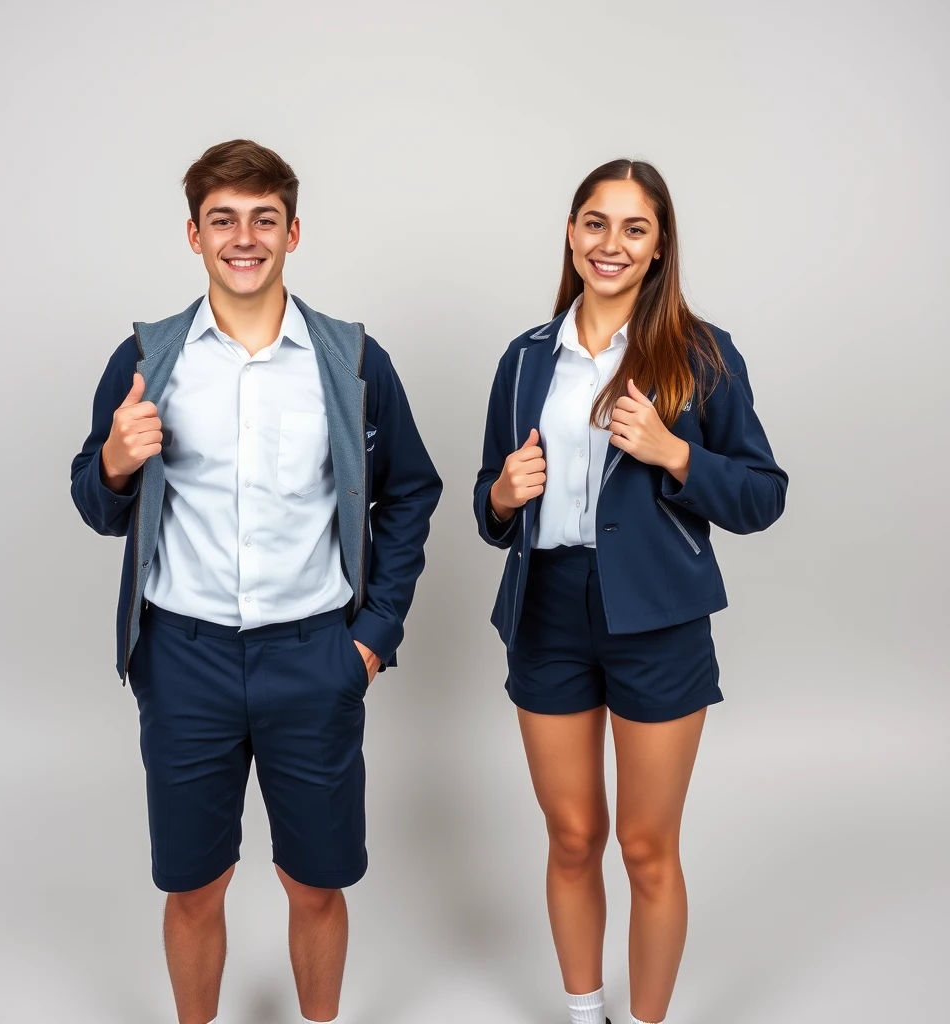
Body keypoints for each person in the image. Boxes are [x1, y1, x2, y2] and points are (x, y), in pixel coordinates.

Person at [70, 139, 442, 1024]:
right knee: (195, 886)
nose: (245, 238)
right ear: (193, 235)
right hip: (182, 656)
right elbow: (94, 499)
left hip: (315, 657)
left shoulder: (351, 361)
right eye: (224, 220)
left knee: (314, 884)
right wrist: (117, 464)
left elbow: (412, 491)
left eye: (263, 219)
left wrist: (372, 638)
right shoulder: (145, 359)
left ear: (294, 231)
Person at [473, 160, 787, 1024]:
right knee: (573, 837)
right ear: (572, 235)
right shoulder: (526, 358)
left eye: (634, 228)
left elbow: (763, 495)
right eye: (595, 223)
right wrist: (502, 495)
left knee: (647, 848)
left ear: (658, 248)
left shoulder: (701, 355)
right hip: (546, 610)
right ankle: (585, 1013)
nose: (611, 244)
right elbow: (489, 505)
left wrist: (673, 452)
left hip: (656, 617)